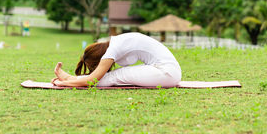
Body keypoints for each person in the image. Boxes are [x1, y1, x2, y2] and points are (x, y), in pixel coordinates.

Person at [51, 32, 181, 87]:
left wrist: (65, 83)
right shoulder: (116, 42)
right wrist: (70, 79)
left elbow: (93, 79)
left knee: (115, 76)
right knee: (117, 74)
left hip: (167, 72)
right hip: (168, 72)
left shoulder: (113, 49)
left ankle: (69, 79)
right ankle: (70, 78)